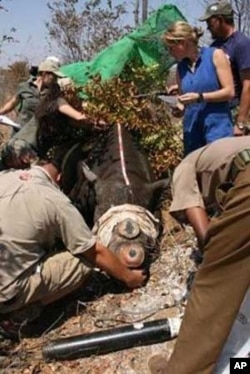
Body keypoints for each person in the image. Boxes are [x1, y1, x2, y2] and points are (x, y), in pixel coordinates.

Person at [0, 144, 146, 340]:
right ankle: (18, 316)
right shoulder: (57, 202)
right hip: (5, 292)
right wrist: (129, 277)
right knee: (83, 262)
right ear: (60, 178)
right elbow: (94, 252)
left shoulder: (5, 176)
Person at [148, 136, 250, 374]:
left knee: (215, 284)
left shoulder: (184, 167)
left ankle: (182, 370)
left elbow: (205, 237)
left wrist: (217, 256)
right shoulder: (232, 146)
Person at [163, 21, 234, 155]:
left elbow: (229, 92)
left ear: (182, 43)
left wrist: (200, 97)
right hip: (193, 133)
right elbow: (184, 101)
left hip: (217, 129)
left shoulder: (215, 55)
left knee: (217, 171)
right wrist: (178, 108)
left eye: (171, 47)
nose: (170, 52)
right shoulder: (181, 68)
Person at [199, 2, 250, 136]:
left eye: (210, 22)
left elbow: (248, 85)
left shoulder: (241, 43)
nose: (208, 27)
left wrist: (241, 121)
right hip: (217, 112)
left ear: (220, 20)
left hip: (234, 111)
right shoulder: (215, 46)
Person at [0, 59, 65, 129]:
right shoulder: (24, 87)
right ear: (44, 74)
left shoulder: (54, 90)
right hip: (21, 131)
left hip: (41, 132)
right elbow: (11, 104)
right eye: (54, 76)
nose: (55, 80)